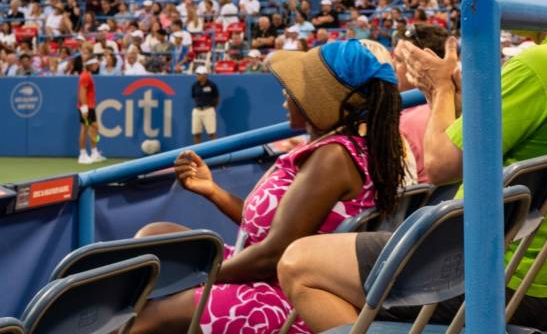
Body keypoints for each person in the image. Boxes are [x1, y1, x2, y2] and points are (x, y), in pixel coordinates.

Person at [278, 0, 547, 332]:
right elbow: (513, 140)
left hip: (492, 274)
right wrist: (459, 98)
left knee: (298, 263)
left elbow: (444, 163)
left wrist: (439, 90)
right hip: (542, 276)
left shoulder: (541, 63)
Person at [130, 39, 407, 334]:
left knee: (157, 312)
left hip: (281, 295)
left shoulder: (333, 158)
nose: (286, 94)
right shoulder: (330, 149)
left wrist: (204, 277)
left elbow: (272, 255)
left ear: (321, 99)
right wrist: (214, 191)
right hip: (265, 272)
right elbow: (277, 228)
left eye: (298, 86)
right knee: (154, 237)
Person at [77, 56, 104, 164]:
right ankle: (82, 155)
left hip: (90, 106)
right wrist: (84, 108)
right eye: (95, 64)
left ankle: (94, 152)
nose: (97, 66)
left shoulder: (88, 75)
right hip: (86, 107)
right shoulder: (85, 76)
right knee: (85, 129)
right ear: (90, 65)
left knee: (94, 129)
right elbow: (82, 92)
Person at [191, 65, 220, 143]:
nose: (197, 76)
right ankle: (196, 153)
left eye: (199, 74)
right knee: (196, 133)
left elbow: (217, 97)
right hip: (197, 110)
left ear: (205, 75)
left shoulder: (212, 85)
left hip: (209, 110)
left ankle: (216, 152)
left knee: (211, 133)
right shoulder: (194, 85)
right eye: (197, 74)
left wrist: (211, 107)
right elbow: (194, 97)